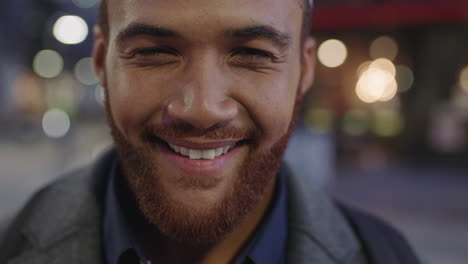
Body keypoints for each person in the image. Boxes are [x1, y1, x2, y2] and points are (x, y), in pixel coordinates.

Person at [0, 0, 421, 263]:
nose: (201, 108)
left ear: (303, 71)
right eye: (153, 53)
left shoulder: (385, 255)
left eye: (253, 54)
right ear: (100, 63)